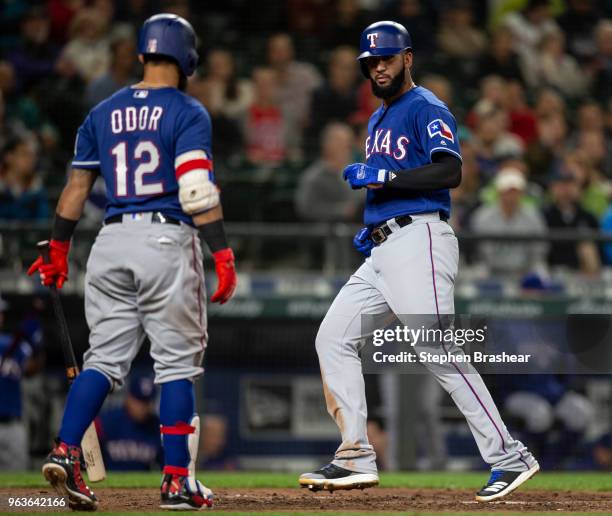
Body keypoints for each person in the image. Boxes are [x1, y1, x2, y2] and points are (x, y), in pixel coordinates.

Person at [299, 21, 539, 502]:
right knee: (333, 338)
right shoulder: (377, 119)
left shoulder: (425, 105)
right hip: (386, 246)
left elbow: (450, 169)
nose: (379, 67)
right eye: (371, 62)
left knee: (437, 350)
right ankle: (354, 455)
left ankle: (508, 455)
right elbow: (393, 184)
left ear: (407, 58)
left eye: (386, 58)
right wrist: (376, 222)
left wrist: (385, 178)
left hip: (420, 236)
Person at [27, 14, 237, 510]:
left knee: (103, 360)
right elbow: (194, 189)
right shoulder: (188, 111)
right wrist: (223, 253)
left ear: (142, 54)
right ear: (187, 59)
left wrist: (58, 249)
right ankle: (174, 482)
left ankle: (65, 449)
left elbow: (76, 189)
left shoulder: (102, 111)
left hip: (109, 243)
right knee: (177, 367)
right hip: (164, 241)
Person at [471, 167, 548, 277]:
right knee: (477, 273)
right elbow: (481, 252)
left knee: (541, 273)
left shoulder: (533, 216)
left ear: (522, 193)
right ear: (499, 192)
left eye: (515, 192)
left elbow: (539, 251)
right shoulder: (483, 216)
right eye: (507, 191)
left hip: (525, 270)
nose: (511, 196)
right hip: (491, 270)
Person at [96, 375, 163, 471]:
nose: (141, 407)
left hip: (143, 483)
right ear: (129, 397)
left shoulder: (157, 427)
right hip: (106, 481)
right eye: (138, 401)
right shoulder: (108, 420)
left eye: (146, 402)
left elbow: (164, 465)